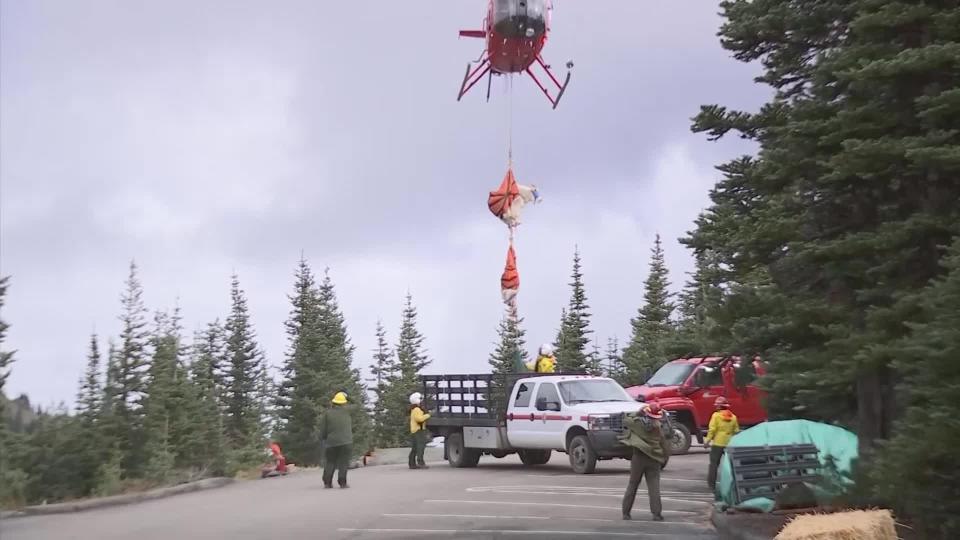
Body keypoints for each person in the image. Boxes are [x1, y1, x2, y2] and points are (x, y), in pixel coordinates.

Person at [620, 402, 671, 522]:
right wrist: (664, 457)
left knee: (633, 485)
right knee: (654, 487)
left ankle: (626, 513)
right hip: (654, 459)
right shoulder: (658, 426)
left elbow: (625, 420)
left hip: (638, 457)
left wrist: (637, 412)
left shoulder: (637, 424)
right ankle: (657, 514)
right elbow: (664, 443)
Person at [319, 391, 353, 489]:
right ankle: (342, 482)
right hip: (346, 442)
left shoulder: (327, 414)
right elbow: (357, 404)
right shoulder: (348, 410)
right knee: (343, 462)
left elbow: (323, 429)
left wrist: (323, 439)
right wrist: (347, 396)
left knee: (330, 462)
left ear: (333, 402)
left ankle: (327, 482)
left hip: (331, 442)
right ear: (344, 402)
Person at [704, 396, 739, 491]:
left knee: (714, 464)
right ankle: (734, 484)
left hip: (718, 443)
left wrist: (707, 440)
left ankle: (711, 484)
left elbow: (712, 429)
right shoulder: (733, 417)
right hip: (729, 443)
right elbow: (736, 431)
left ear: (719, 407)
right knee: (731, 464)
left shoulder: (716, 416)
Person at [409, 392, 432, 469]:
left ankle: (412, 464)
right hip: (418, 431)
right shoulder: (417, 409)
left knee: (415, 448)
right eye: (420, 399)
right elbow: (419, 419)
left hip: (415, 430)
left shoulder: (414, 409)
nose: (422, 401)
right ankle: (420, 462)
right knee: (420, 447)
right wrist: (428, 415)